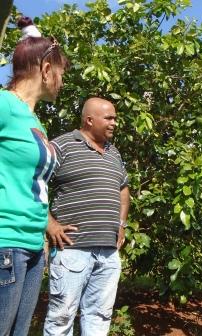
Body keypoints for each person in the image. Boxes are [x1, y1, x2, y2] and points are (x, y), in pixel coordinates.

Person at [0, 17, 68, 336]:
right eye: (61, 72)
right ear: (45, 69)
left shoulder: (33, 121)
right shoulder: (4, 104)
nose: (62, 80)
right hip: (5, 242)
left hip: (31, 247)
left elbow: (34, 185)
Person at [43, 97, 130, 336]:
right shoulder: (61, 146)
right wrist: (50, 224)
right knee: (61, 318)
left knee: (100, 316)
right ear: (89, 120)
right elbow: (34, 181)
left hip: (108, 252)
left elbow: (123, 189)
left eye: (115, 118)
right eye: (109, 118)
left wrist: (121, 225)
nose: (114, 123)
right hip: (73, 249)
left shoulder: (114, 153)